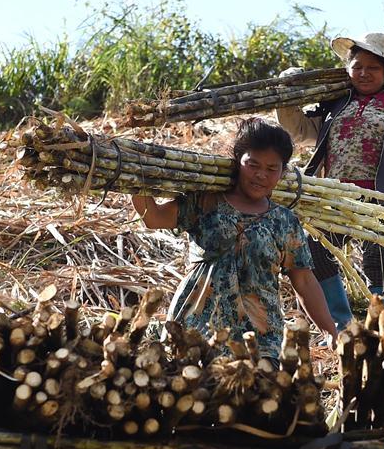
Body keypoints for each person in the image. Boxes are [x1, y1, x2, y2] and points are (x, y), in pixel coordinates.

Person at [130, 118, 337, 356]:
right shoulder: (205, 201)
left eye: (272, 169)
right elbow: (153, 218)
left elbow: (304, 281)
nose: (261, 175)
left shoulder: (284, 221)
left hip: (260, 339)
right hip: (194, 330)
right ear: (238, 161)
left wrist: (329, 330)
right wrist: (136, 177)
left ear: (282, 172)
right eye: (253, 165)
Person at [277, 32, 384, 330]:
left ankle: (381, 324)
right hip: (334, 196)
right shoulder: (335, 104)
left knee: (378, 261)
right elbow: (300, 131)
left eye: (373, 67)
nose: (364, 73)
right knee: (315, 252)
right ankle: (341, 324)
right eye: (357, 66)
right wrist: (286, 91)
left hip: (382, 199)